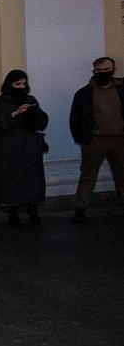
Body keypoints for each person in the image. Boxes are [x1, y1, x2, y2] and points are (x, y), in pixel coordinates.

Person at [0, 70, 49, 227]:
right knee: (10, 180)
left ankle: (32, 209)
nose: (21, 87)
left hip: (29, 147)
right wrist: (14, 114)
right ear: (9, 84)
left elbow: (41, 121)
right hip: (9, 149)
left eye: (23, 84)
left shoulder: (30, 99)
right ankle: (12, 212)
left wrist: (33, 115)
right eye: (17, 84)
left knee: (32, 179)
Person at [68, 57, 124, 223]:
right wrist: (83, 138)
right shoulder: (84, 93)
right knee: (87, 177)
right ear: (94, 72)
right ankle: (80, 210)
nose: (102, 73)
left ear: (113, 70)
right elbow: (75, 118)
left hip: (120, 140)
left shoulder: (121, 90)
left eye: (106, 70)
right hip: (94, 141)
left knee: (122, 177)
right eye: (99, 71)